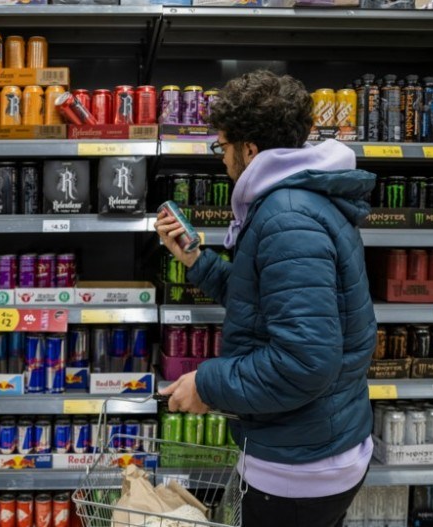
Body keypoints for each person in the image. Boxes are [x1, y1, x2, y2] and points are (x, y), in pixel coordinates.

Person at [155, 70, 377, 527]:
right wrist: (198, 261)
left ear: (249, 149)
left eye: (223, 147)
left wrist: (207, 383)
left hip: (301, 466)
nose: (222, 161)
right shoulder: (297, 202)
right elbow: (267, 301)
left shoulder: (287, 216)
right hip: (309, 443)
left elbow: (304, 361)